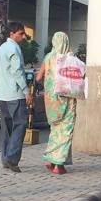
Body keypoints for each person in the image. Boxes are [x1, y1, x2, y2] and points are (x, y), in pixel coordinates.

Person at [35, 32, 77, 175]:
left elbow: (39, 77)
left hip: (51, 101)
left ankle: (50, 158)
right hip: (67, 98)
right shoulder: (69, 58)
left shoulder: (48, 57)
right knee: (65, 132)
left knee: (55, 129)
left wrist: (50, 84)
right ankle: (58, 165)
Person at [0, 22, 32, 172]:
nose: (23, 37)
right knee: (20, 126)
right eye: (20, 34)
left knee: (7, 127)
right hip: (15, 95)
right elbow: (18, 72)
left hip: (3, 95)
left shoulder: (2, 48)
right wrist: (26, 91)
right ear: (12, 34)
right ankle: (12, 158)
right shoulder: (14, 49)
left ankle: (5, 158)